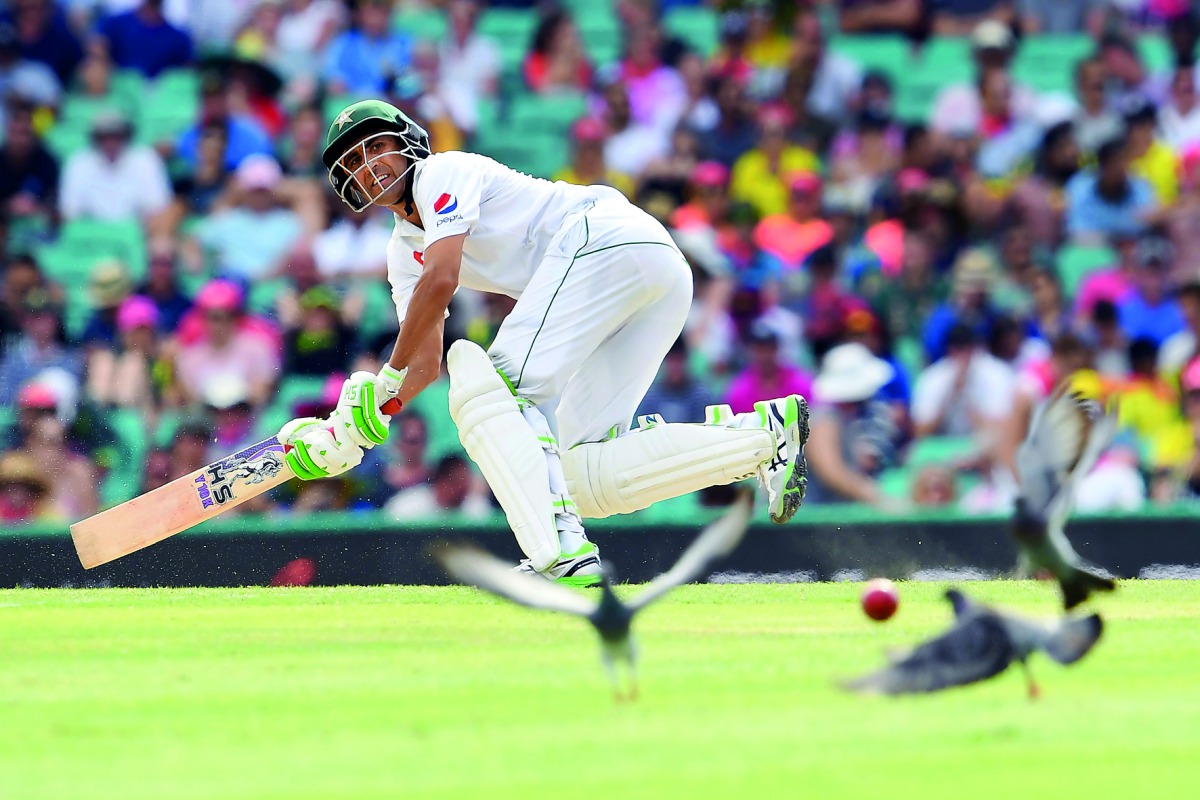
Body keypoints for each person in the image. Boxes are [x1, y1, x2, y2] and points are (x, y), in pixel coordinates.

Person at [275, 99, 811, 586]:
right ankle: (762, 437)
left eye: (375, 147)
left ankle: (561, 557)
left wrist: (386, 376)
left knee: (497, 390)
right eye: (353, 161)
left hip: (605, 236)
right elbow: (425, 361)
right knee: (581, 474)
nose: (369, 165)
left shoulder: (443, 171)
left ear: (407, 140)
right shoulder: (401, 254)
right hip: (649, 277)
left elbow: (441, 280)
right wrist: (361, 420)